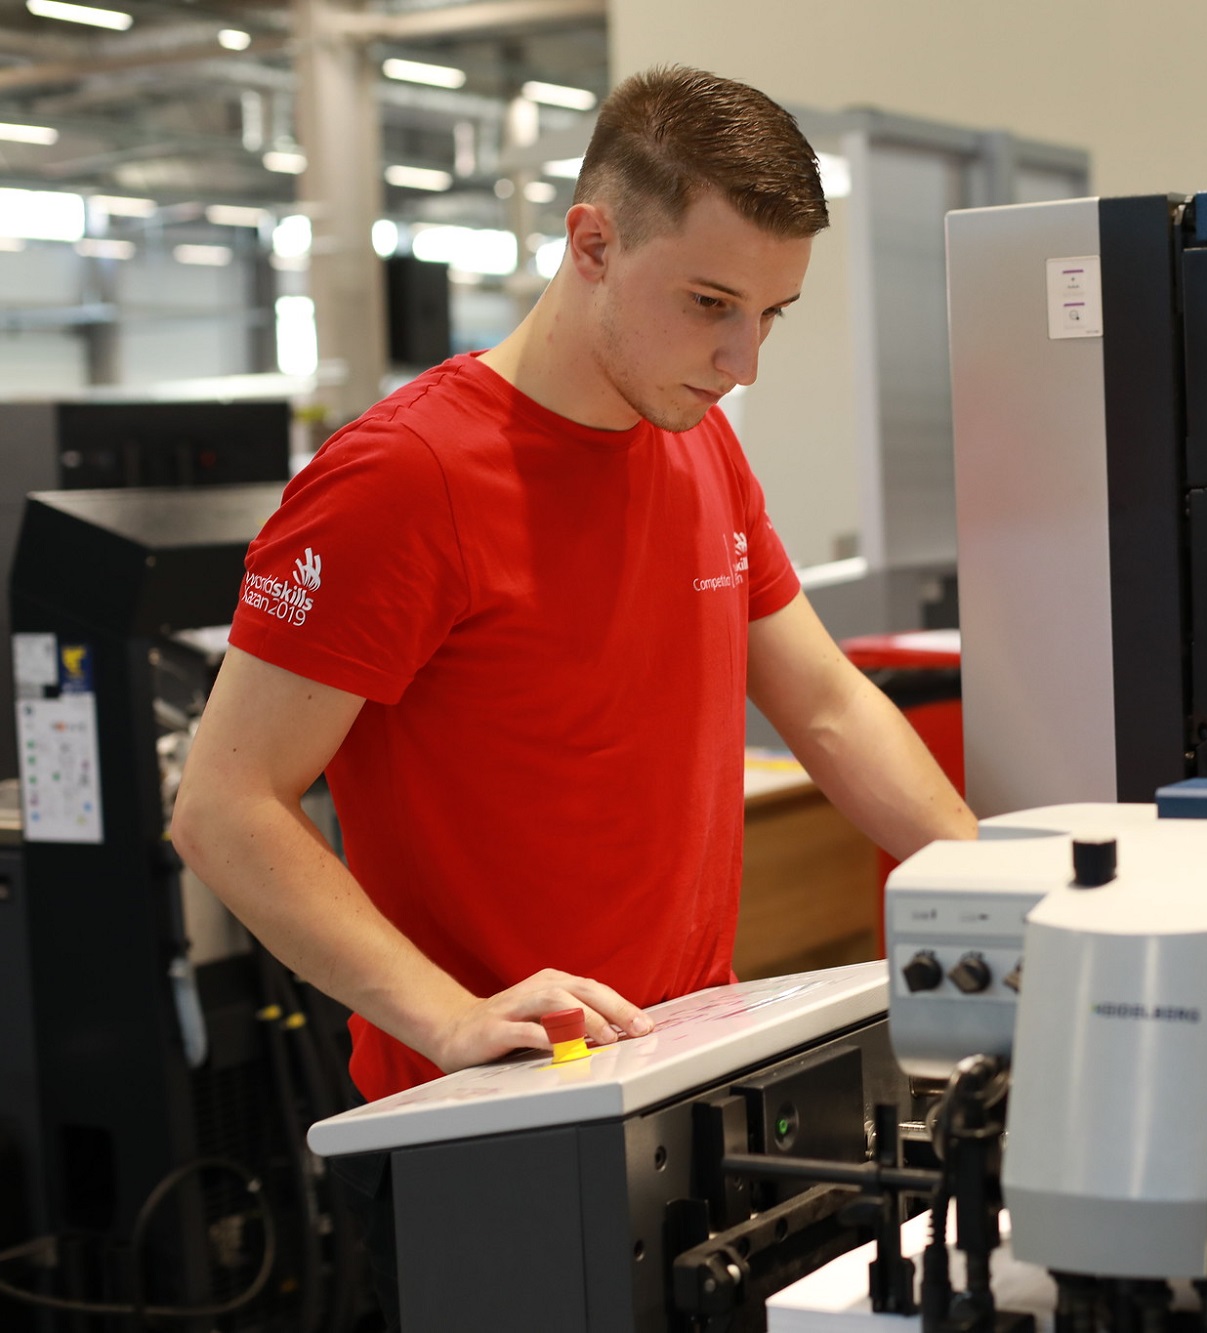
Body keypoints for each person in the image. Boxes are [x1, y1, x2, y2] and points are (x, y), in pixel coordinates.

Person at [170, 65, 977, 1107]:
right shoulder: (405, 477)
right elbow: (223, 807)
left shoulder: (700, 451)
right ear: (592, 244)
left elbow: (824, 707)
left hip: (686, 1064)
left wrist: (989, 876)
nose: (743, 361)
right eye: (708, 305)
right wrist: (447, 1015)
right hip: (488, 1106)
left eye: (770, 313)